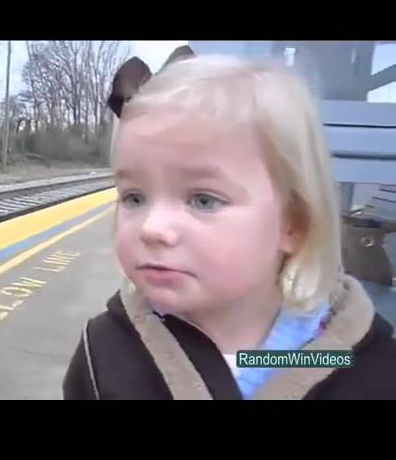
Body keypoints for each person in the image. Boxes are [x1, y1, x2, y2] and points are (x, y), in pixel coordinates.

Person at [62, 46, 396, 400]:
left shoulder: (368, 369)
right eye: (134, 198)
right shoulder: (102, 353)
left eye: (203, 200)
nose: (151, 228)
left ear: (293, 225)